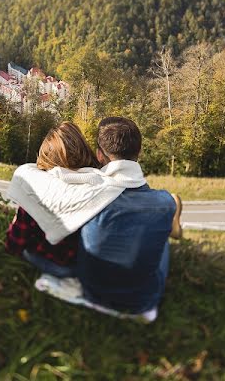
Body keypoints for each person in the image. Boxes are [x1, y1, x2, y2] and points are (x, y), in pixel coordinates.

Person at [75, 117, 181, 314]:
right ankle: (170, 226)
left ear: (99, 155)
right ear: (138, 153)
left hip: (90, 291)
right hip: (141, 301)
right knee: (162, 241)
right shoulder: (165, 203)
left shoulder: (84, 196)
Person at [4, 122, 100, 277]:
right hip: (81, 268)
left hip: (49, 263)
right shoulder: (99, 187)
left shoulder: (37, 187)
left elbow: (15, 243)